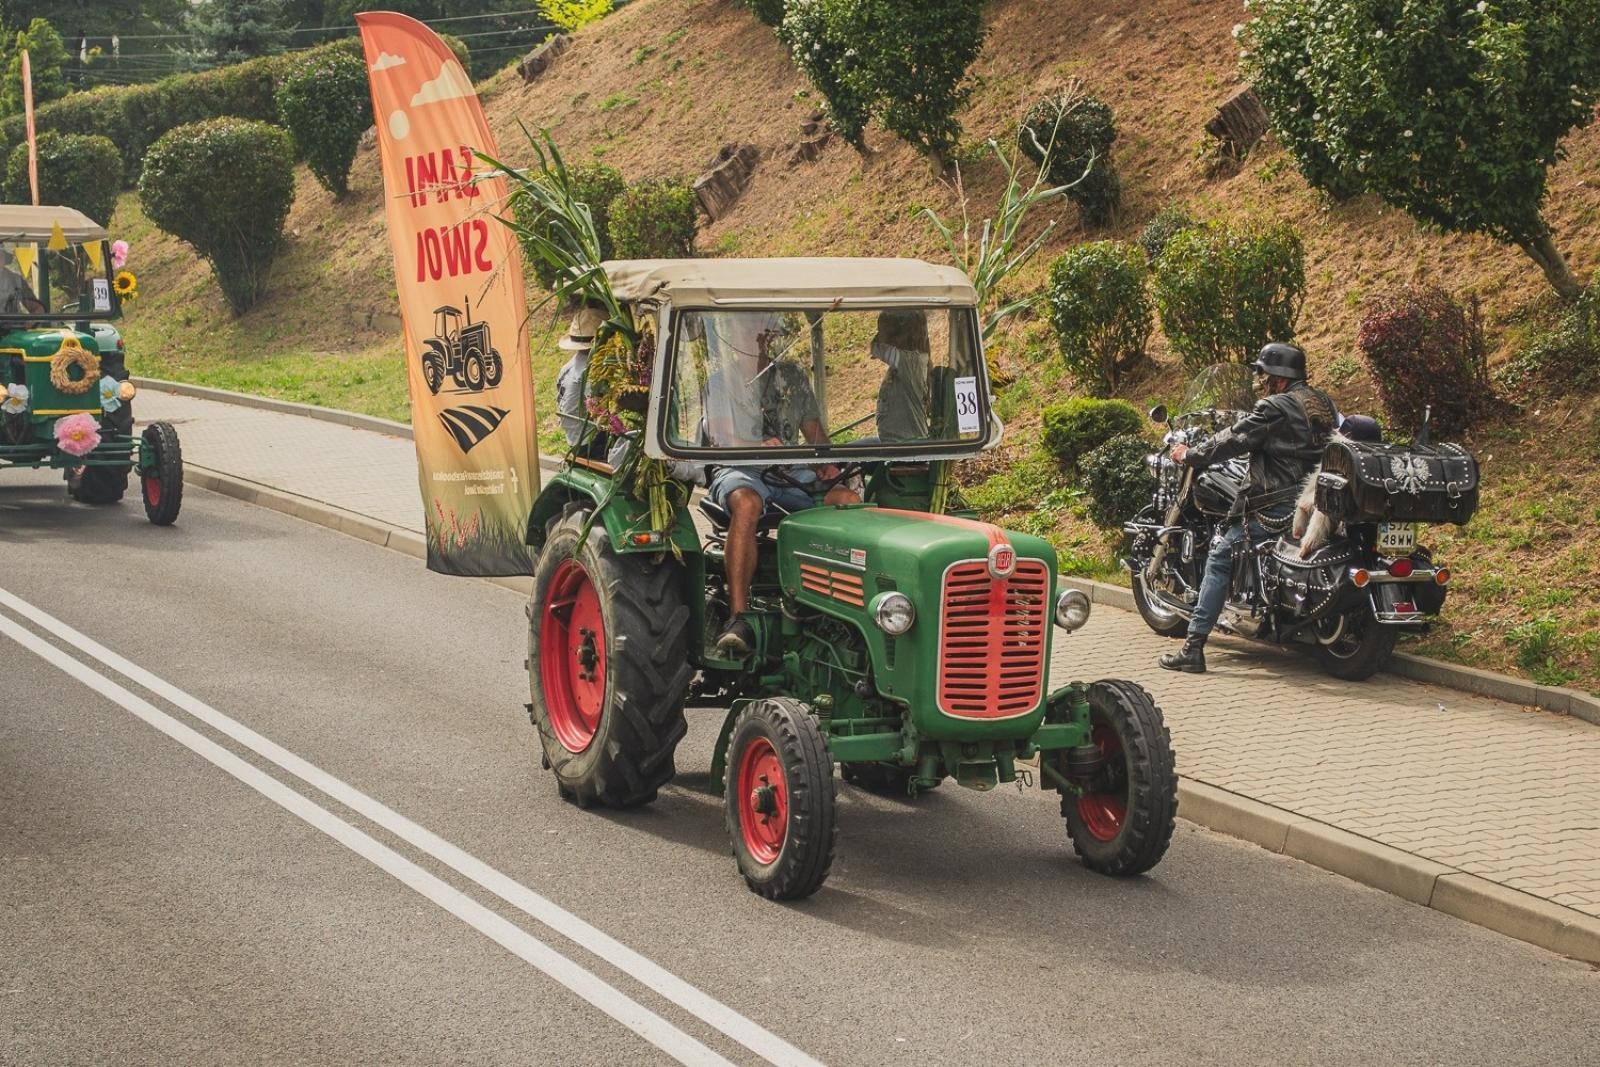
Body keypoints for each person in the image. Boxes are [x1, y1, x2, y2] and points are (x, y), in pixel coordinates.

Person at [1159, 342, 1338, 673]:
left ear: (1277, 377)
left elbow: (1234, 438)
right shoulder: (1322, 403)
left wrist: (1191, 454)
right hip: (1315, 500)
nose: (1260, 380)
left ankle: (1193, 647)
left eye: (1264, 374)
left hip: (1275, 505)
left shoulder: (1275, 406)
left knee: (1219, 556)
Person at [702, 312, 858, 655]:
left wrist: (826, 463)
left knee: (845, 499)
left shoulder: (791, 377)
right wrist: (754, 447)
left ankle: (834, 609)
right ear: (733, 336)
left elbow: (814, 431)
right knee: (747, 504)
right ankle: (738, 618)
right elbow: (722, 441)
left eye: (764, 333)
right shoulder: (720, 383)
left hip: (790, 471)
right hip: (740, 469)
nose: (759, 340)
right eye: (750, 331)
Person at [870, 309, 930, 442]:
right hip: (893, 442)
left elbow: (876, 347)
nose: (879, 335)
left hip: (906, 443)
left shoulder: (910, 362)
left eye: (882, 331)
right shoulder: (907, 362)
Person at [553, 305, 606, 457]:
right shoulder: (590, 372)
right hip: (588, 443)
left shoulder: (568, 367)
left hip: (573, 437)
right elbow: (598, 412)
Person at [0, 248, 45, 317]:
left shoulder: (16, 279)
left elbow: (37, 308)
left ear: (4, 259)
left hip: (12, 325)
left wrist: (30, 322)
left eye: (0, 256)